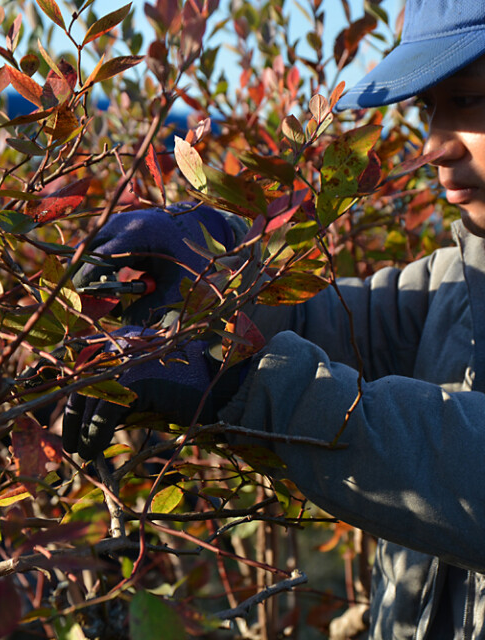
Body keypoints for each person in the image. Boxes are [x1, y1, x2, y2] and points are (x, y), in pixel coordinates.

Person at [61, 0, 485, 637]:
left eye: (472, 101)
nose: (433, 146)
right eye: (428, 110)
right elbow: (341, 325)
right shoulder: (464, 281)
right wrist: (213, 265)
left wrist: (248, 387)